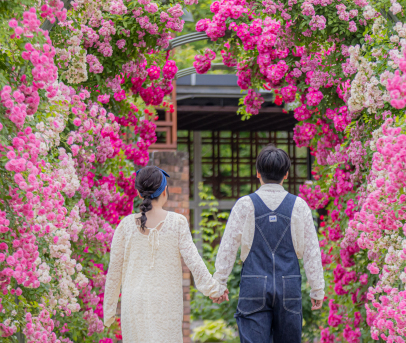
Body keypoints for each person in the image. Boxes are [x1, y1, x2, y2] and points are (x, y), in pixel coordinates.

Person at [103, 165, 227, 342]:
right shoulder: (178, 223)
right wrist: (215, 289)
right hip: (166, 304)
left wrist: (109, 312)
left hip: (134, 304)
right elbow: (194, 262)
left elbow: (114, 272)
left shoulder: (125, 226)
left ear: (139, 194)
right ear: (164, 192)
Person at [213, 145, 325, 343]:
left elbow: (228, 247)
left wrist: (220, 283)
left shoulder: (245, 204)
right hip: (289, 285)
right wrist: (317, 288)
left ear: (258, 173)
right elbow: (312, 251)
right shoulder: (299, 206)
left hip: (253, 285)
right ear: (286, 174)